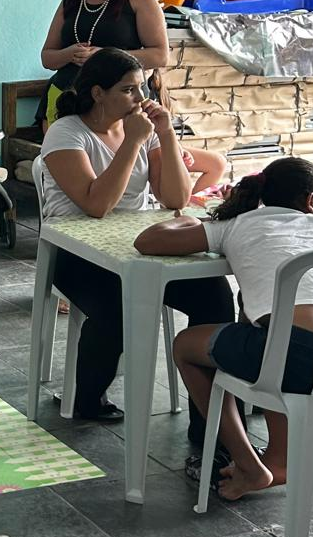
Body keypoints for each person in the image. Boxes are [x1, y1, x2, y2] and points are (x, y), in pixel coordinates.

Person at [135, 158, 313, 500]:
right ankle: (279, 460)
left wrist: (188, 220)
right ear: (310, 201)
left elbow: (147, 242)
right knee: (265, 336)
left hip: (300, 360)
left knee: (186, 346)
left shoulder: (236, 225)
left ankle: (249, 464)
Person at [37, 49, 234, 423]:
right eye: (128, 90)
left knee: (216, 296)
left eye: (142, 88)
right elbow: (97, 205)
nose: (140, 99)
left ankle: (210, 423)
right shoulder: (67, 132)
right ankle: (87, 399)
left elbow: (175, 198)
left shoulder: (145, 130)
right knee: (116, 309)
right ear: (98, 93)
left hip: (137, 244)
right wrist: (131, 143)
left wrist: (166, 134)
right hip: (75, 253)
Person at [39, 0, 225, 198]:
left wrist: (104, 55)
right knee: (82, 182)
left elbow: (160, 54)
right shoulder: (71, 1)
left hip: (120, 102)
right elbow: (47, 57)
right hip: (68, 98)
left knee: (137, 170)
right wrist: (70, 54)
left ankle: (133, 205)